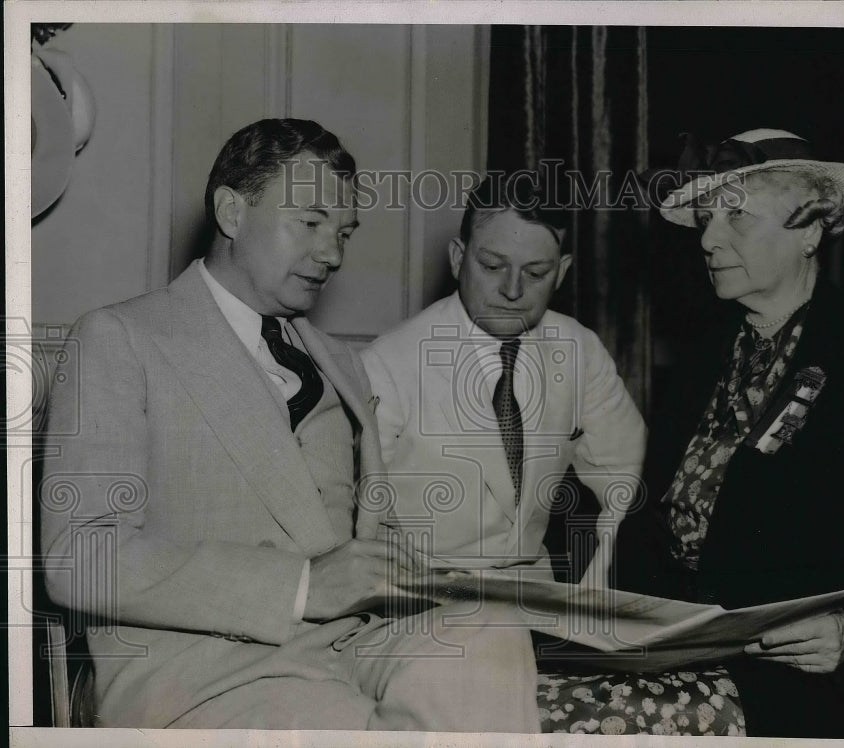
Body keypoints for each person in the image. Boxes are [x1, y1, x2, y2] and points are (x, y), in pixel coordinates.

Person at [39, 118, 540, 731]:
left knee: (490, 630)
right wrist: (302, 586)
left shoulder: (342, 362)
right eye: (310, 223)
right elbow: (81, 557)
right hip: (206, 667)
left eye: (344, 232)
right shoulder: (121, 338)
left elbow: (367, 531)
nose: (332, 254)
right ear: (231, 212)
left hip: (355, 641)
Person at [612, 129, 844, 738]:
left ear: (810, 231)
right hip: (687, 663)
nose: (707, 239)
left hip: (816, 693)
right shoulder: (700, 363)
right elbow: (653, 530)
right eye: (703, 218)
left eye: (736, 218)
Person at [361, 175, 646, 585]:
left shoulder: (580, 349)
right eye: (493, 266)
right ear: (459, 258)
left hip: (537, 595)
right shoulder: (386, 363)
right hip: (420, 596)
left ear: (561, 272)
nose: (512, 290)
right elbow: (364, 520)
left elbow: (628, 480)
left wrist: (597, 594)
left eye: (535, 273)